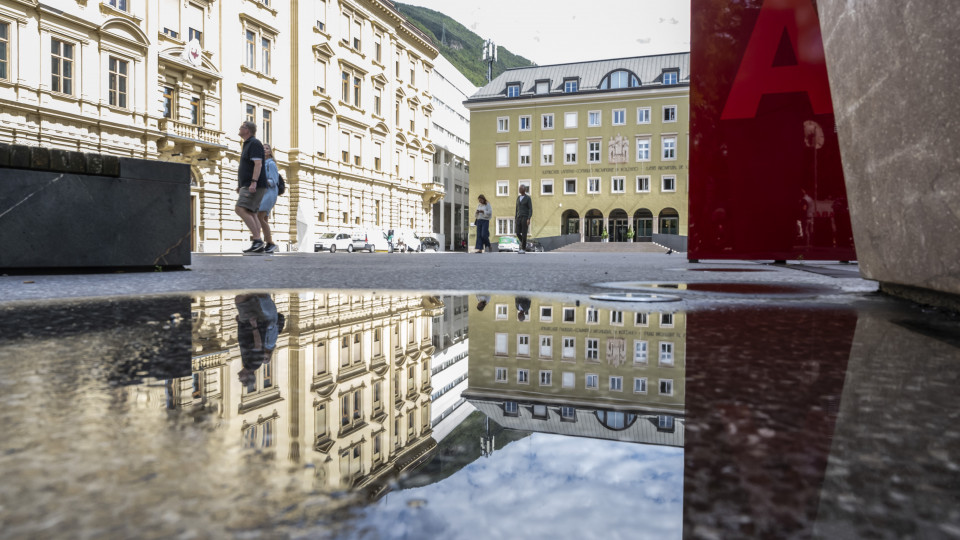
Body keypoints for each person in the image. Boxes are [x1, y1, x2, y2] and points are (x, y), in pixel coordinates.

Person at [235, 121, 268, 253]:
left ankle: (257, 240)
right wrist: (240, 185)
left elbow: (258, 164)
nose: (239, 128)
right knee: (251, 212)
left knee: (240, 209)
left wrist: (253, 182)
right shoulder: (248, 144)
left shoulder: (254, 143)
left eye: (241, 127)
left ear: (247, 130)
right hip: (248, 184)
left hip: (254, 184)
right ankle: (258, 242)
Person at [258, 144, 280, 253]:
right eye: (262, 148)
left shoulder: (271, 164)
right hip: (263, 193)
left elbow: (274, 180)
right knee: (264, 219)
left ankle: (270, 243)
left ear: (270, 152)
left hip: (269, 193)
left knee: (259, 217)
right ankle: (268, 244)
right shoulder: (261, 163)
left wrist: (264, 181)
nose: (264, 150)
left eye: (267, 148)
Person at [515, 184, 533, 254]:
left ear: (525, 190)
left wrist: (529, 218)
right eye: (519, 188)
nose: (519, 190)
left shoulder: (528, 198)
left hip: (525, 217)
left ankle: (523, 248)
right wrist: (515, 218)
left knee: (524, 233)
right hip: (519, 217)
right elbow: (516, 209)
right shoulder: (518, 198)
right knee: (517, 232)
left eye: (521, 189)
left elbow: (530, 209)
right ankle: (524, 243)